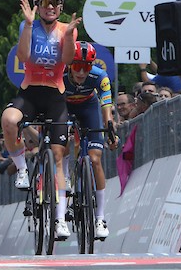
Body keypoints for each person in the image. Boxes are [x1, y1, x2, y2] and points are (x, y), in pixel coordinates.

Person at [0, 0, 80, 239]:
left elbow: (67, 61)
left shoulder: (67, 29)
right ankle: (22, 168)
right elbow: (23, 57)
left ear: (60, 8)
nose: (50, 8)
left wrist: (68, 38)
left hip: (55, 95)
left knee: (58, 157)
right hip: (30, 92)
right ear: (38, 6)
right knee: (8, 120)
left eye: (55, 3)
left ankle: (59, 221)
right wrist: (27, 24)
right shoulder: (29, 26)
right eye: (45, 3)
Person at [63, 41, 119, 239]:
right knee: (62, 145)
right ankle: (66, 178)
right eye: (77, 66)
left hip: (89, 108)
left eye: (86, 67)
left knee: (95, 159)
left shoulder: (99, 77)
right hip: (65, 107)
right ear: (70, 64)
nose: (81, 72)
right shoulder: (60, 74)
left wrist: (110, 130)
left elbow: (106, 107)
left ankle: (100, 218)